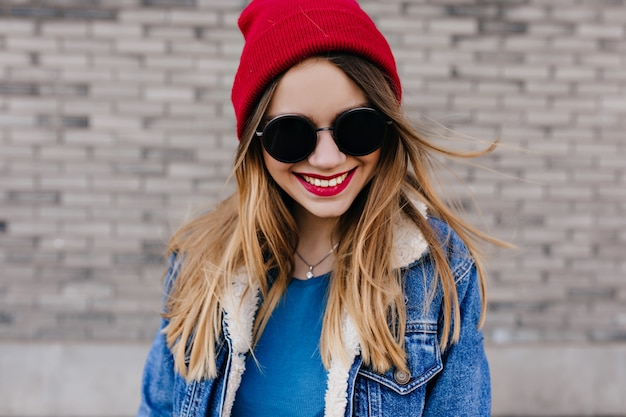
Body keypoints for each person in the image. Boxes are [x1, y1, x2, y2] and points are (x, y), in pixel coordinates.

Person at [138, 0, 506, 416]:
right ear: (256, 144)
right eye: (291, 133)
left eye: (356, 125)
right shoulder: (199, 263)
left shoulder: (438, 274)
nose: (328, 159)